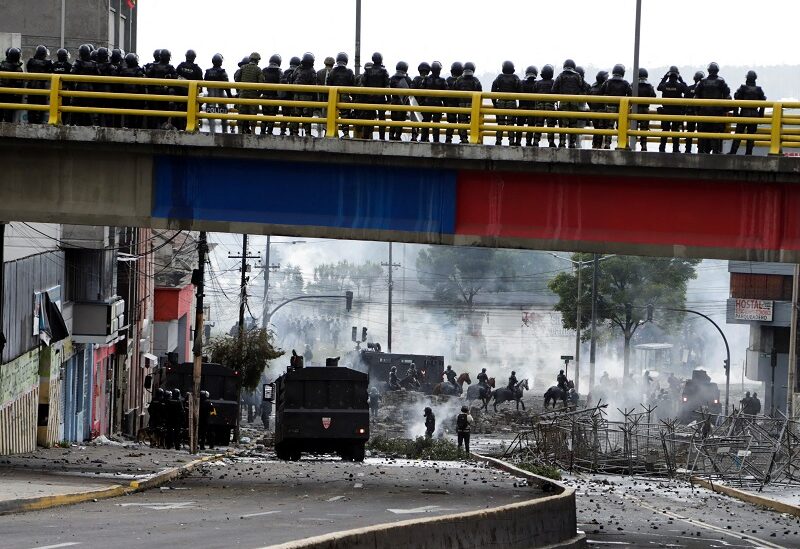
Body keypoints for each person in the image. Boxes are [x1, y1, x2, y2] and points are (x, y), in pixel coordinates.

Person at [693, 62, 730, 154]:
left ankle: (701, 151)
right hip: (717, 112)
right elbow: (728, 97)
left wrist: (697, 111)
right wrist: (725, 110)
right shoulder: (721, 81)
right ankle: (715, 152)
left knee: (702, 133)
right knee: (715, 133)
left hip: (703, 112)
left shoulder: (702, 81)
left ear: (708, 70)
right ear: (717, 70)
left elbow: (696, 97)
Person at [728, 71, 766, 156]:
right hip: (754, 114)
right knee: (751, 135)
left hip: (744, 113)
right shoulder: (759, 89)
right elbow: (763, 101)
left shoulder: (743, 88)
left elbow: (736, 98)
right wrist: (761, 115)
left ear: (747, 78)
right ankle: (749, 153)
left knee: (738, 134)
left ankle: (733, 152)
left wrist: (735, 113)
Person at [552, 59, 585, 148]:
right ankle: (572, 143)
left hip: (563, 102)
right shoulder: (578, 76)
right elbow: (582, 87)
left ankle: (562, 142)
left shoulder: (561, 75)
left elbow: (554, 89)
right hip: (575, 102)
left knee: (563, 124)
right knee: (573, 124)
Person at [657, 66, 689, 153]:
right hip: (676, 112)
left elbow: (658, 87)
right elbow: (687, 90)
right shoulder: (680, 86)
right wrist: (681, 80)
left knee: (665, 130)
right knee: (675, 131)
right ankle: (675, 149)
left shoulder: (664, 85)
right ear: (677, 76)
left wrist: (664, 77)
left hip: (666, 111)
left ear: (669, 75)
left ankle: (662, 148)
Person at [600, 64, 632, 149]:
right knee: (621, 127)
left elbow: (601, 91)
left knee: (609, 127)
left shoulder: (607, 82)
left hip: (610, 107)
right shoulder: (625, 83)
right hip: (622, 108)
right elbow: (631, 94)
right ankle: (621, 143)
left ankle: (607, 143)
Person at [360, 52, 390, 140]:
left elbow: (363, 85)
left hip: (369, 98)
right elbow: (387, 86)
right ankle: (382, 137)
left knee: (368, 119)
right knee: (381, 119)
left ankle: (365, 137)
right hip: (380, 99)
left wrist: (363, 98)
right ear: (381, 59)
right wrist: (389, 99)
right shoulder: (384, 71)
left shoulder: (367, 70)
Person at [145, 49, 177, 129]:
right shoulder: (170, 68)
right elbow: (175, 80)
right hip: (164, 95)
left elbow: (147, 78)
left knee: (153, 115)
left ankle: (152, 129)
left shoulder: (153, 66)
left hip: (153, 95)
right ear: (168, 57)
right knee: (163, 115)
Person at [491, 60, 521, 146]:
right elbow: (521, 91)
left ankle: (498, 140)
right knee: (511, 123)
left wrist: (494, 104)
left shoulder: (499, 77)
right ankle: (511, 141)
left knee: (500, 123)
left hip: (500, 102)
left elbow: (493, 90)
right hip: (512, 102)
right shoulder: (515, 78)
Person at [236, 52, 266, 135]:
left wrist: (240, 90)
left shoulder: (243, 67)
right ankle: (253, 132)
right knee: (253, 114)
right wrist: (258, 94)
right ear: (257, 60)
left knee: (241, 113)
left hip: (242, 94)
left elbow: (236, 79)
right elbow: (261, 84)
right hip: (253, 95)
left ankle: (239, 131)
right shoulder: (258, 69)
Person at [69, 44, 100, 126]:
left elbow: (71, 75)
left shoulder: (77, 63)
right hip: (90, 89)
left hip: (79, 88)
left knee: (75, 107)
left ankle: (72, 124)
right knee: (90, 109)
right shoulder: (94, 64)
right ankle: (92, 124)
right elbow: (98, 76)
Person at [203, 54, 233, 134]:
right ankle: (224, 131)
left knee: (210, 113)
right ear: (221, 62)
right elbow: (227, 86)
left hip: (210, 96)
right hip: (220, 95)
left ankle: (211, 131)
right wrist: (230, 96)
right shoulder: (222, 72)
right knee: (224, 113)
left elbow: (204, 83)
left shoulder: (207, 72)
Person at [174, 49, 203, 131]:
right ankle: (190, 127)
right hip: (191, 97)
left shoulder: (180, 66)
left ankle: (180, 128)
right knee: (191, 113)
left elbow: (175, 78)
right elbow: (201, 86)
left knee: (179, 112)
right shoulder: (197, 69)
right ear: (194, 57)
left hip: (179, 96)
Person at [453, 61, 481, 143]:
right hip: (473, 106)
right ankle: (474, 138)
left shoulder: (458, 80)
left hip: (461, 105)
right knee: (475, 122)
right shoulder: (476, 80)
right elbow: (480, 92)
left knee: (462, 123)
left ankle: (463, 138)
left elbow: (454, 91)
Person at [328, 52, 355, 138]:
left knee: (332, 114)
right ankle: (346, 133)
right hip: (345, 97)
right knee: (345, 115)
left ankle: (331, 132)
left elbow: (328, 85)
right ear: (346, 61)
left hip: (333, 97)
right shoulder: (349, 72)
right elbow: (353, 85)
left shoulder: (332, 72)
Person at [291, 52, 317, 137]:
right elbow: (314, 86)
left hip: (296, 96)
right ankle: (307, 133)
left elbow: (292, 80)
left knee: (296, 115)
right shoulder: (312, 71)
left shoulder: (297, 69)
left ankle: (295, 133)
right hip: (307, 97)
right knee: (307, 115)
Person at [117, 53, 146, 129]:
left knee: (128, 114)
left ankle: (127, 126)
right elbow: (142, 85)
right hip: (136, 96)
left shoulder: (123, 71)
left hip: (126, 96)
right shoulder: (139, 71)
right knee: (137, 114)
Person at [421, 61, 447, 143]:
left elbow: (421, 91)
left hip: (426, 104)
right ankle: (436, 140)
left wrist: (421, 104)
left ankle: (423, 139)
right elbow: (445, 95)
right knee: (436, 124)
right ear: (439, 70)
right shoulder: (442, 80)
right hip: (437, 105)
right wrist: (446, 106)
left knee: (425, 123)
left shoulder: (426, 79)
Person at [25, 45, 52, 124]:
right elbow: (50, 72)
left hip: (31, 86)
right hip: (42, 87)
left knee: (31, 106)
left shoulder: (30, 61)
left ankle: (31, 121)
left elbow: (28, 70)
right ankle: (40, 121)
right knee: (42, 106)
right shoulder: (48, 63)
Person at [532, 64, 557, 147]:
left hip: (539, 107)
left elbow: (533, 93)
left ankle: (535, 141)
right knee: (550, 125)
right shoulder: (553, 82)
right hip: (550, 106)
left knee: (538, 125)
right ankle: (551, 142)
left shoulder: (537, 83)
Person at [259, 54, 282, 136]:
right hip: (274, 98)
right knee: (272, 117)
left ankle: (262, 131)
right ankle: (269, 132)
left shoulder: (264, 70)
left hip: (264, 97)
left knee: (265, 116)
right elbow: (281, 85)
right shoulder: (279, 72)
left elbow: (260, 84)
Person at [388, 61, 412, 141]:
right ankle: (398, 136)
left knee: (393, 120)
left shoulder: (392, 78)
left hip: (394, 102)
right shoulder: (407, 79)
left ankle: (391, 135)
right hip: (403, 103)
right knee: (400, 121)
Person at [634, 68, 657, 151]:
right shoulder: (649, 85)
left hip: (635, 110)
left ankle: (633, 145)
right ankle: (644, 146)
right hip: (645, 110)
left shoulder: (634, 84)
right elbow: (653, 96)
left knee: (634, 129)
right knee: (644, 130)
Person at [278, 56, 301, 136]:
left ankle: (282, 130)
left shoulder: (285, 72)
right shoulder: (298, 72)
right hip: (294, 98)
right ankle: (293, 132)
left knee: (285, 115)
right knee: (294, 116)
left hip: (284, 97)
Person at [517, 65, 538, 147]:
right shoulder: (537, 84)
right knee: (531, 126)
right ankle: (528, 142)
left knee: (519, 126)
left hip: (522, 108)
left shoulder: (521, 83)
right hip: (532, 109)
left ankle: (518, 141)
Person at [683, 71, 704, 153]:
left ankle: (688, 150)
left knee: (690, 132)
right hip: (700, 113)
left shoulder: (688, 88)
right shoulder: (703, 90)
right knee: (701, 133)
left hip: (690, 113)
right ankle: (700, 150)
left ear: (694, 78)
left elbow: (684, 102)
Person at [410, 62, 431, 142]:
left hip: (416, 103)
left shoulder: (416, 79)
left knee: (415, 121)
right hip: (426, 104)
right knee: (426, 122)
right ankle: (426, 138)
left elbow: (411, 90)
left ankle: (414, 136)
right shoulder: (429, 79)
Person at [587, 71, 608, 148]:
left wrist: (592, 108)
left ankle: (594, 144)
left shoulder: (593, 86)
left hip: (593, 111)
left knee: (596, 128)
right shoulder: (604, 87)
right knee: (601, 129)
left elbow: (588, 100)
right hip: (601, 111)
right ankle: (599, 145)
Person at [445, 62, 463, 143]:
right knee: (461, 122)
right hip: (461, 105)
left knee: (451, 122)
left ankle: (448, 138)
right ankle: (463, 138)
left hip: (450, 105)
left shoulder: (448, 80)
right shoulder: (462, 80)